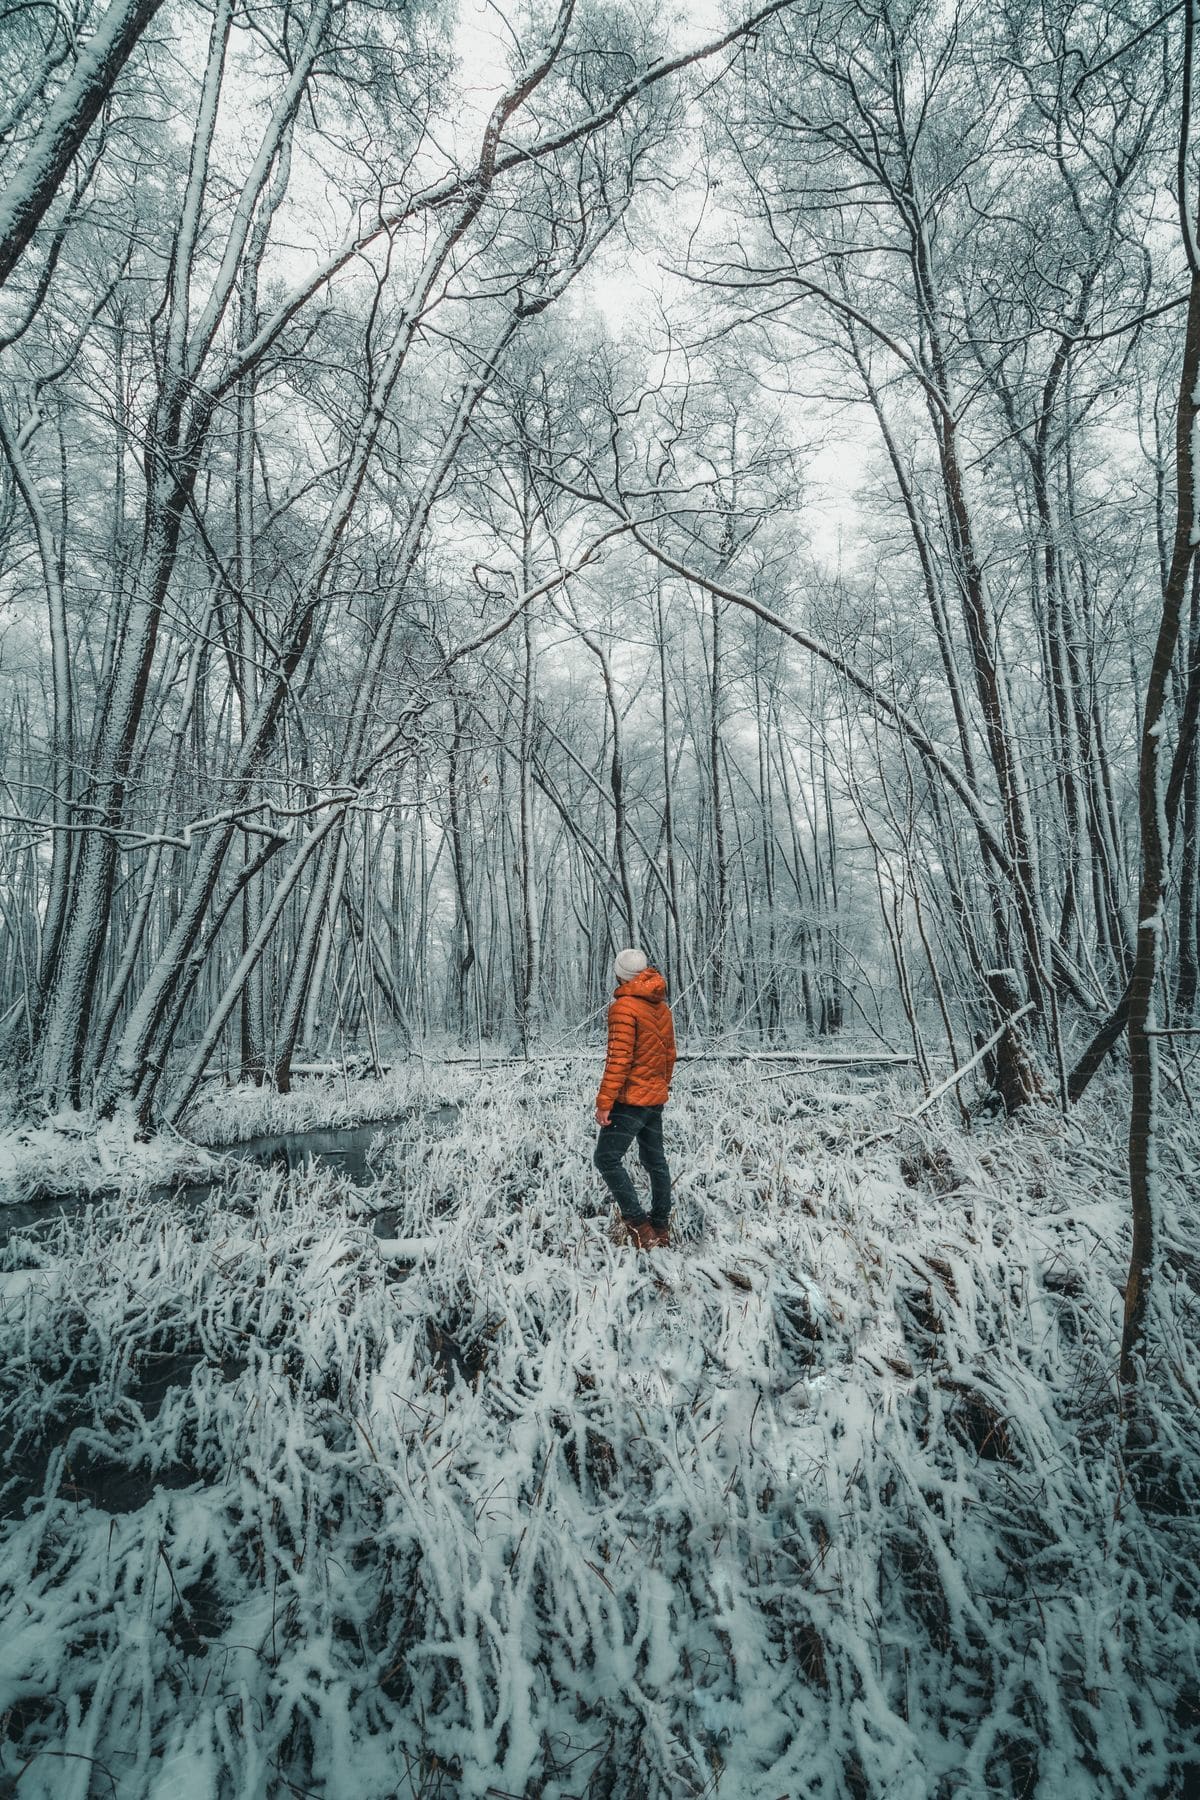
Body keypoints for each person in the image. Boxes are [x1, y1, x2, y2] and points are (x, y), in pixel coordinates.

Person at [593, 946, 677, 1249]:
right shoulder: (661, 1007)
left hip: (630, 1100)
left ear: (620, 974)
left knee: (605, 1158)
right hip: (654, 1098)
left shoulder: (623, 1007)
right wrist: (659, 1086)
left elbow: (619, 1059)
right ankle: (660, 1226)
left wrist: (605, 1103)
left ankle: (640, 1227)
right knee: (655, 1161)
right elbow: (670, 1053)